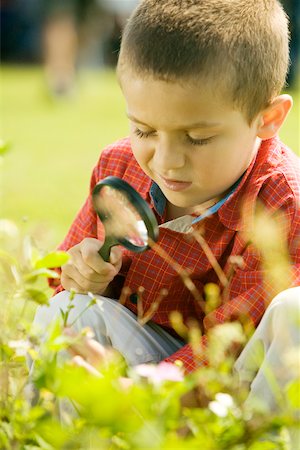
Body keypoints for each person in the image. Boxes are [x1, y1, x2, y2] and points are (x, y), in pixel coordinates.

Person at [34, 0, 300, 411]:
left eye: (197, 138)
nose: (166, 161)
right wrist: (84, 276)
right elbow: (54, 290)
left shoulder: (281, 203)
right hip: (147, 364)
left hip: (242, 388)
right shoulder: (120, 167)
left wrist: (148, 394)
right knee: (70, 312)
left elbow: (231, 346)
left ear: (268, 119)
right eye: (144, 129)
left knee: (295, 312)